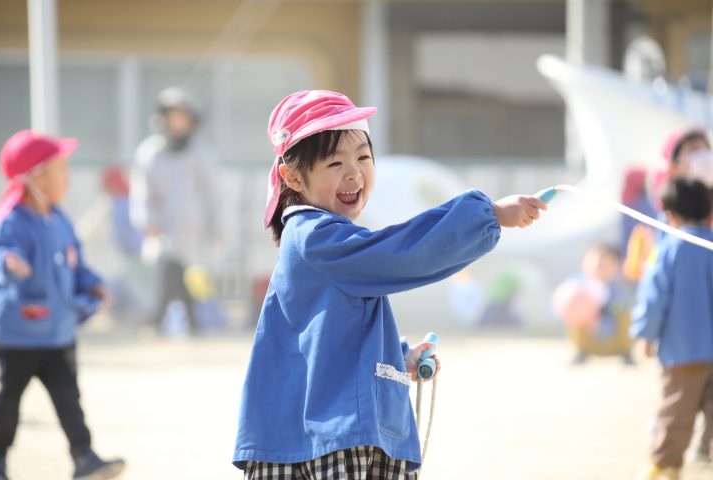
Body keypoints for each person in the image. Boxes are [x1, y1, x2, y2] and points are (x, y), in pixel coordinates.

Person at [233, 90, 547, 479]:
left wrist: (399, 358)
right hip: (330, 435)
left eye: (363, 157)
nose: (353, 173)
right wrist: (490, 215)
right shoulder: (315, 237)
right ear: (293, 176)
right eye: (334, 162)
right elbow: (401, 253)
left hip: (331, 430)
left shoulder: (326, 240)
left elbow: (330, 340)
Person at [0, 130, 125, 480]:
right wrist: (10, 264)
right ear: (34, 178)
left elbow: (75, 264)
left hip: (58, 332)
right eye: (60, 170)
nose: (66, 178)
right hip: (21, 334)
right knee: (8, 403)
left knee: (69, 399)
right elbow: (3, 257)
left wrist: (92, 284)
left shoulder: (60, 220)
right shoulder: (12, 222)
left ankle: (84, 456)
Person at [630, 178, 713, 480]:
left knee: (676, 410)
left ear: (670, 215)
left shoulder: (668, 249)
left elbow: (654, 298)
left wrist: (646, 335)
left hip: (684, 351)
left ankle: (667, 465)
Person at [129, 87, 222, 334]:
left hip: (193, 229)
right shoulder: (151, 152)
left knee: (188, 274)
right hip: (163, 228)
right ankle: (183, 320)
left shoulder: (201, 153)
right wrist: (146, 220)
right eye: (172, 115)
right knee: (169, 270)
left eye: (182, 115)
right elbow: (141, 191)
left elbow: (214, 194)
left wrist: (217, 228)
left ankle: (178, 319)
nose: (177, 121)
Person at [553, 244, 633, 365]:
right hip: (587, 330)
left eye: (603, 263)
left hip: (612, 333)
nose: (597, 265)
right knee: (576, 313)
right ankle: (582, 350)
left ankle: (625, 351)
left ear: (615, 266)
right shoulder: (577, 284)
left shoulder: (618, 287)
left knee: (625, 314)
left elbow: (624, 304)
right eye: (593, 261)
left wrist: (605, 309)